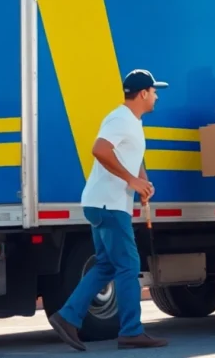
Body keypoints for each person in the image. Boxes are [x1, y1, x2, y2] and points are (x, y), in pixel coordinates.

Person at [48, 69, 170, 351]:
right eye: (154, 91)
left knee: (106, 265)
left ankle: (68, 317)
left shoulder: (133, 122)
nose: (156, 96)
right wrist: (131, 180)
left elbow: (131, 156)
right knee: (128, 265)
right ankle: (131, 331)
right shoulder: (120, 118)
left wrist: (142, 184)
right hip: (109, 205)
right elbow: (100, 149)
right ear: (142, 93)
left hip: (106, 202)